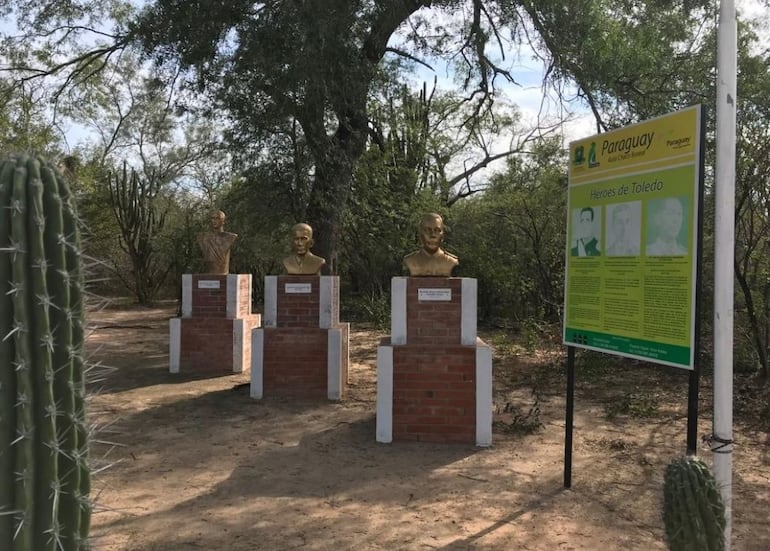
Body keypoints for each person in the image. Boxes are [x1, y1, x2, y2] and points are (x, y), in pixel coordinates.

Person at [403, 212, 459, 277]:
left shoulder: (451, 261)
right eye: (427, 230)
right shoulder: (410, 261)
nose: (432, 235)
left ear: (442, 235)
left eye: (437, 230)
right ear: (420, 235)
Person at [197, 209, 238, 274]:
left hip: (223, 274)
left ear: (223, 221)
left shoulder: (230, 237)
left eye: (217, 218)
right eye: (213, 218)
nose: (214, 221)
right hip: (209, 276)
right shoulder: (203, 238)